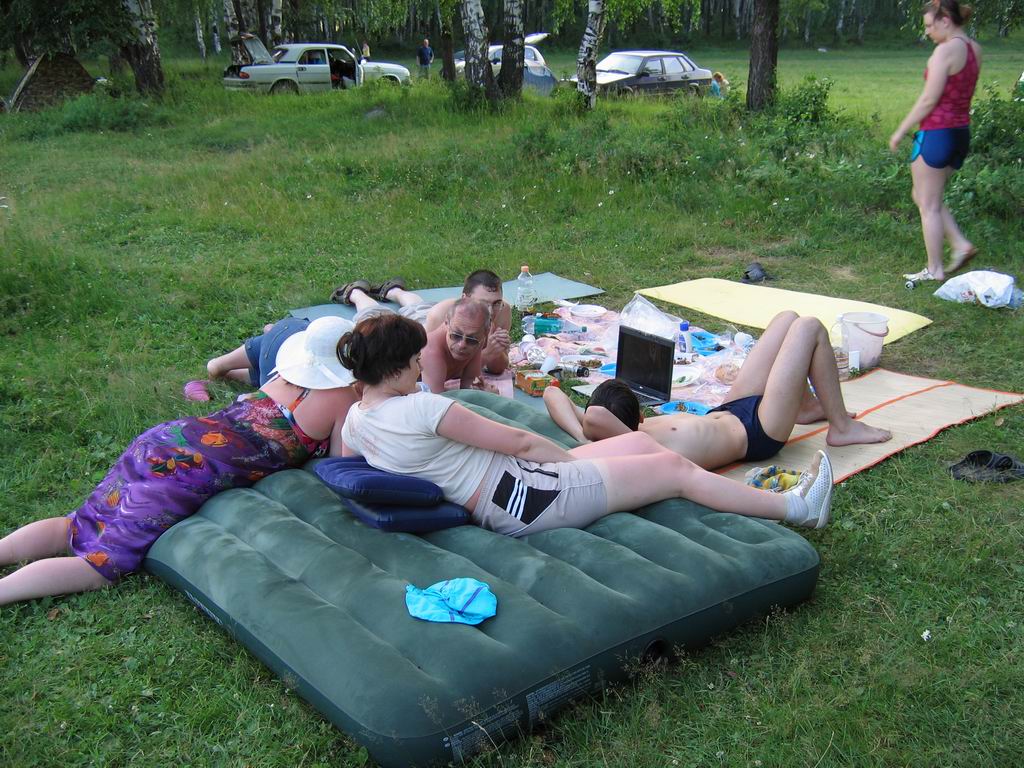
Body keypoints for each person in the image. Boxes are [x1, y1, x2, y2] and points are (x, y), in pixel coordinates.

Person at [337, 314, 835, 540]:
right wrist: (571, 467)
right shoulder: (423, 409)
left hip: (511, 489)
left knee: (639, 442)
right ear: (396, 367)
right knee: (674, 469)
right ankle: (797, 508)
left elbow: (352, 466)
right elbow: (521, 441)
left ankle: (776, 502)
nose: (419, 365)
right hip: (525, 498)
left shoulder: (358, 421)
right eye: (414, 359)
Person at [0, 317, 360, 605]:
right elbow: (340, 464)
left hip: (167, 439)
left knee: (75, 524)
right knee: (102, 565)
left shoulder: (286, 374)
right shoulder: (343, 400)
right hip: (187, 469)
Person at [544, 312, 891, 470]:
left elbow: (552, 394)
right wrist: (589, 433)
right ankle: (841, 427)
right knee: (809, 328)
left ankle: (806, 406)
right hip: (757, 433)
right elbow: (600, 417)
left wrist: (583, 433)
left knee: (786, 319)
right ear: (638, 419)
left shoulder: (609, 433)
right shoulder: (641, 448)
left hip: (730, 409)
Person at [889, 0, 982, 285]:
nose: (927, 32)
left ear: (945, 21)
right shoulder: (974, 49)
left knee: (927, 204)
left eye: (930, 25)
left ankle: (934, 269)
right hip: (960, 133)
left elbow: (929, 99)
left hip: (936, 133)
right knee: (923, 195)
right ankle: (960, 244)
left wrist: (901, 130)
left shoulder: (944, 51)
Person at [333, 278, 496, 393]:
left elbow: (469, 385)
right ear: (446, 323)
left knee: (419, 308)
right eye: (456, 336)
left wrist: (482, 392)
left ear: (484, 333)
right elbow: (438, 406)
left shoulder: (472, 333)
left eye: (472, 340)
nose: (462, 344)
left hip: (419, 328)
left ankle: (394, 291)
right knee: (374, 316)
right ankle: (355, 292)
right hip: (391, 337)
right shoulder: (432, 352)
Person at [424, 270, 512, 374]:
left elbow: (498, 369)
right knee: (413, 304)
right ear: (464, 299)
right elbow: (432, 369)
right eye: (483, 303)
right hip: (421, 317)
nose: (490, 312)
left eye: (496, 303)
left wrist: (496, 350)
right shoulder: (438, 316)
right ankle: (404, 294)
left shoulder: (503, 311)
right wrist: (487, 354)